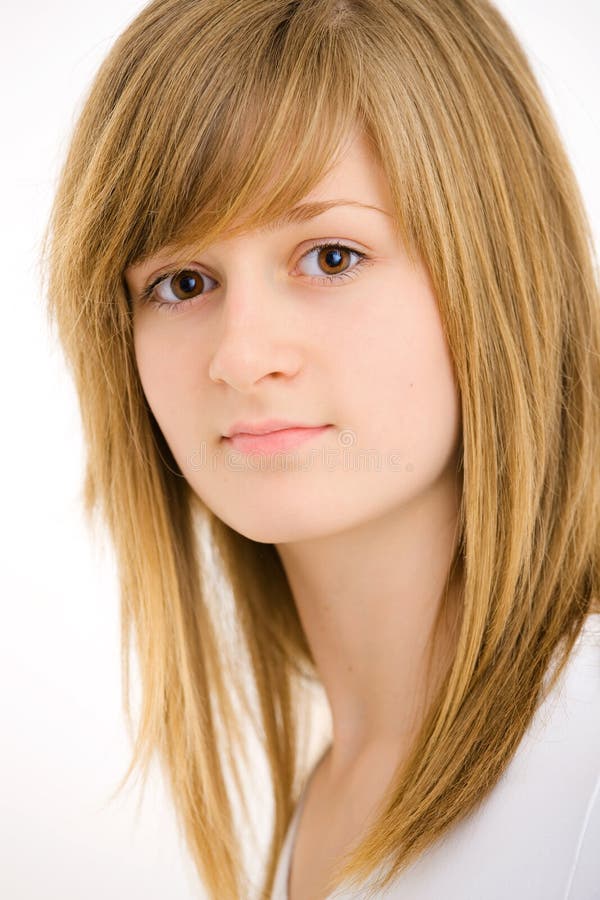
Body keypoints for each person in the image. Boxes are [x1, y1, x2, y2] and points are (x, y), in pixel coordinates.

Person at [42, 1, 600, 898]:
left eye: (330, 257)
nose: (242, 356)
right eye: (183, 282)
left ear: (495, 268)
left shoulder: (584, 768)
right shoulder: (329, 797)